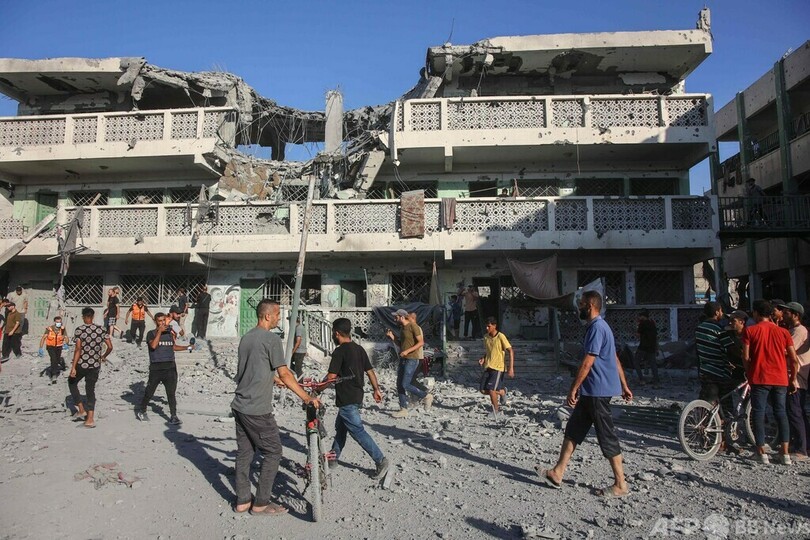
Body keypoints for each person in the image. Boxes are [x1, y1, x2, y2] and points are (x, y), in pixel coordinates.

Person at [536, 290, 633, 497]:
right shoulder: (600, 327)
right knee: (574, 429)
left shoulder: (597, 328)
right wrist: (624, 385)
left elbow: (588, 361)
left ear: (589, 306)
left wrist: (573, 388)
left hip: (598, 391)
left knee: (606, 435)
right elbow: (614, 358)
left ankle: (621, 484)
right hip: (591, 392)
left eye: (580, 304)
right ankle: (557, 472)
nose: (578, 308)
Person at [232, 299, 320, 516]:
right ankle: (261, 503)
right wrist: (306, 397)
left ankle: (242, 501)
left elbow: (252, 369)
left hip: (240, 405)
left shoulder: (247, 337)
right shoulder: (271, 339)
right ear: (267, 316)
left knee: (244, 453)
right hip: (257, 408)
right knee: (273, 452)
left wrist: (272, 379)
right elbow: (285, 373)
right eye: (278, 314)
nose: (279, 319)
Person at [325, 317, 389, 478]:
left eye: (333, 333)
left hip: (347, 398)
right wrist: (376, 389)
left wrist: (317, 390)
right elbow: (370, 371)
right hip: (356, 396)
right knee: (341, 428)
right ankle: (333, 458)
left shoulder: (339, 351)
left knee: (357, 431)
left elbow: (331, 377)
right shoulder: (359, 349)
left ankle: (381, 460)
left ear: (337, 333)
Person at [742, 299, 800, 465]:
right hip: (780, 378)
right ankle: (785, 453)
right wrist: (793, 378)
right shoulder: (783, 332)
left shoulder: (750, 331)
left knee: (758, 413)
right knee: (781, 412)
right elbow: (793, 359)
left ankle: (761, 452)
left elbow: (745, 357)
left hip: (760, 377)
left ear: (756, 313)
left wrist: (749, 372)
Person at [136, 312, 186, 424]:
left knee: (171, 393)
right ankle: (142, 410)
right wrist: (159, 331)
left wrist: (187, 347)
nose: (162, 323)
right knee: (150, 391)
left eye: (164, 320)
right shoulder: (151, 333)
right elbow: (153, 346)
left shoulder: (169, 333)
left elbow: (173, 346)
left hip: (170, 367)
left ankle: (173, 416)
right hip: (156, 368)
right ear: (155, 322)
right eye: (160, 321)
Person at [69, 307, 113, 428]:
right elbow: (110, 347)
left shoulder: (80, 330)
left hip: (82, 364)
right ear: (93, 316)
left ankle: (81, 409)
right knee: (90, 390)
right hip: (95, 365)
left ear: (83, 317)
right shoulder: (101, 329)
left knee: (72, 382)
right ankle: (90, 419)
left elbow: (78, 349)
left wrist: (73, 367)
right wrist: (103, 356)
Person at [386, 308, 433, 418]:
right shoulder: (403, 328)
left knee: (405, 384)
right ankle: (403, 409)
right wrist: (392, 337)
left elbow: (421, 342)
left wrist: (407, 351)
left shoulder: (413, 326)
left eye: (396, 317)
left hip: (412, 358)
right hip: (404, 358)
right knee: (399, 384)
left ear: (402, 317)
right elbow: (401, 344)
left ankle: (426, 396)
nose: (395, 319)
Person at [780, 301, 809, 462]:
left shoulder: (799, 331)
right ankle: (803, 444)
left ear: (796, 315)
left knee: (795, 412)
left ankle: (800, 449)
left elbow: (786, 351)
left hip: (796, 378)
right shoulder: (791, 330)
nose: (783, 315)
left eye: (786, 313)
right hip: (792, 376)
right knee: (797, 412)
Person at [695, 301, 736, 415]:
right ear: (717, 312)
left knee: (708, 399)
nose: (722, 313)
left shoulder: (699, 328)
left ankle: (707, 421)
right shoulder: (719, 329)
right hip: (719, 371)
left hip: (704, 370)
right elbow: (730, 348)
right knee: (726, 400)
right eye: (721, 311)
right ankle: (726, 421)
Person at [478, 316, 514, 418]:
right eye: (486, 326)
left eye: (489, 326)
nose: (487, 328)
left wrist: (511, 368)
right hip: (488, 366)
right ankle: (502, 392)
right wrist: (483, 358)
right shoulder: (486, 337)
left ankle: (496, 411)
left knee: (491, 390)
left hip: (498, 368)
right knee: (482, 390)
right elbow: (489, 351)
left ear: (494, 326)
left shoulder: (501, 336)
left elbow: (511, 351)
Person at [39, 316, 68, 383]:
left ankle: (57, 366)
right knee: (53, 359)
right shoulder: (49, 329)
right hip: (50, 347)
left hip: (59, 347)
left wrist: (67, 343)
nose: (59, 323)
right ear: (55, 322)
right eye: (57, 322)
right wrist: (40, 348)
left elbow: (66, 337)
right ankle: (53, 375)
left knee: (57, 360)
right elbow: (43, 338)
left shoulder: (62, 329)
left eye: (60, 322)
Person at [634, 309, 659, 385]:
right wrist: (656, 347)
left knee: (636, 362)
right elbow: (656, 336)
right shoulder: (652, 323)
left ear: (643, 316)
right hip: (652, 346)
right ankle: (656, 380)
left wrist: (637, 327)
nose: (639, 317)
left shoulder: (642, 324)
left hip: (643, 347)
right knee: (653, 364)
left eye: (640, 316)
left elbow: (638, 335)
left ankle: (641, 379)